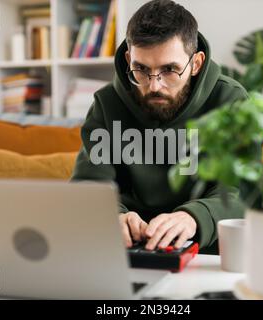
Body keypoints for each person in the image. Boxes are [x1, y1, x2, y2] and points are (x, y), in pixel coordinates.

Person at [72, 0, 248, 254]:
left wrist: (194, 217)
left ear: (196, 64)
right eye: (141, 69)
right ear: (128, 58)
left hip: (207, 251)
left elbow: (239, 190)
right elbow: (89, 187)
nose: (154, 86)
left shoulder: (230, 101)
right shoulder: (106, 104)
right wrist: (112, 216)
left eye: (169, 70)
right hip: (125, 251)